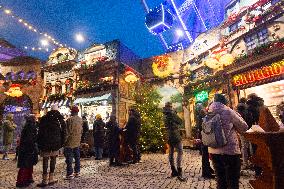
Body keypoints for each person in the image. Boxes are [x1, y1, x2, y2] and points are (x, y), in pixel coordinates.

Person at [208, 94, 248, 189]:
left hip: (214, 151)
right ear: (224, 101)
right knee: (233, 180)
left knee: (220, 180)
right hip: (230, 152)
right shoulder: (228, 111)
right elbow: (244, 127)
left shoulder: (209, 112)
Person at [37, 104, 66, 187]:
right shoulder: (60, 119)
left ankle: (44, 180)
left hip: (45, 143)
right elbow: (64, 132)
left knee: (45, 160)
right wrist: (62, 143)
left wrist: (39, 143)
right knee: (53, 159)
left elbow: (40, 132)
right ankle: (51, 178)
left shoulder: (44, 118)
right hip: (56, 143)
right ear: (57, 110)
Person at [163, 102, 186, 181]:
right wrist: (175, 114)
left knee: (171, 152)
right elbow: (180, 121)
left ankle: (173, 170)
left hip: (169, 135)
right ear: (170, 107)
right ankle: (179, 170)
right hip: (175, 135)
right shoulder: (172, 114)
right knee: (180, 151)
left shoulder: (164, 114)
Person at [16, 115, 38, 188]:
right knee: (25, 165)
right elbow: (30, 139)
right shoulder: (31, 126)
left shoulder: (28, 125)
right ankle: (21, 181)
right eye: (35, 118)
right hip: (27, 149)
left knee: (28, 165)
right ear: (33, 119)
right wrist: (32, 147)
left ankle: (27, 179)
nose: (36, 119)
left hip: (26, 148)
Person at [195, 102, 215, 179]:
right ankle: (206, 172)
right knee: (205, 153)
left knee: (205, 153)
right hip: (204, 135)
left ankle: (207, 169)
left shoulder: (198, 114)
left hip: (202, 135)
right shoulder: (203, 113)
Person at [246, 93, 264, 177]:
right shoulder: (262, 104)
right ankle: (265, 169)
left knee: (255, 151)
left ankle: (258, 171)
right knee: (263, 150)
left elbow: (248, 121)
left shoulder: (249, 107)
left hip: (254, 131)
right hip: (263, 130)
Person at [64, 106, 83, 180]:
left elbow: (67, 132)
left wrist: (64, 141)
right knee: (77, 157)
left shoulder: (69, 120)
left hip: (70, 141)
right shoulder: (80, 120)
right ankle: (77, 172)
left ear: (72, 112)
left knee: (69, 158)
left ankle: (69, 174)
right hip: (77, 141)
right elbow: (81, 131)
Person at [236, 97, 251, 169]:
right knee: (249, 145)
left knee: (244, 146)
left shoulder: (238, 110)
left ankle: (245, 163)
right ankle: (251, 161)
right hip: (249, 129)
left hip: (242, 130)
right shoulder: (247, 108)